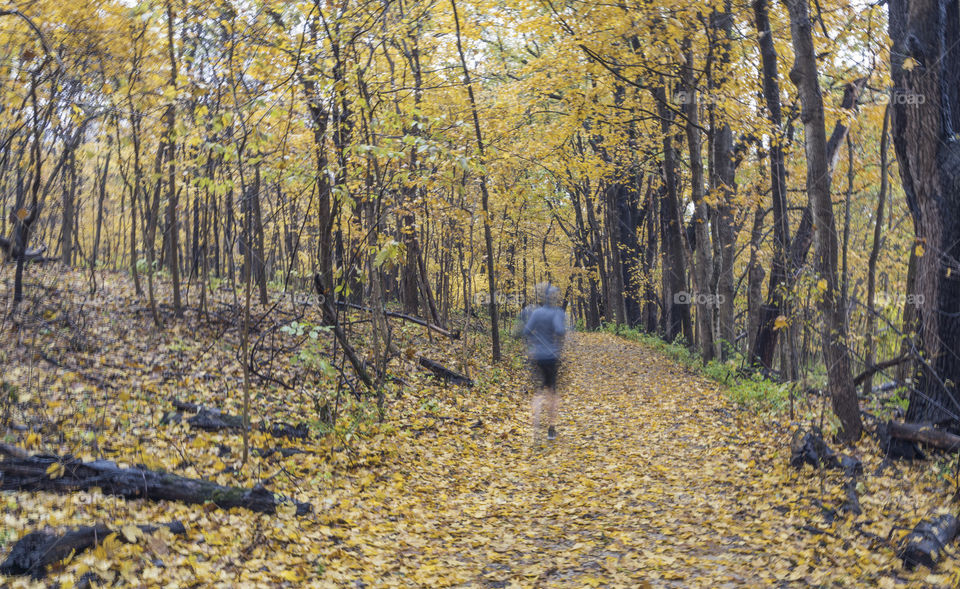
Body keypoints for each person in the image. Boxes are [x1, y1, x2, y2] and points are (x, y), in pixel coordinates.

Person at [522, 283, 566, 441]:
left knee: (538, 391)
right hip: (551, 357)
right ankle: (551, 428)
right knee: (552, 392)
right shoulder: (557, 313)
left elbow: (526, 331)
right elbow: (559, 330)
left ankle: (535, 426)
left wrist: (533, 344)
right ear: (554, 298)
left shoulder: (536, 313)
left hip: (537, 357)